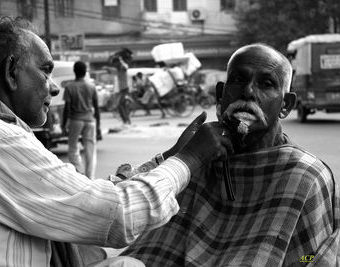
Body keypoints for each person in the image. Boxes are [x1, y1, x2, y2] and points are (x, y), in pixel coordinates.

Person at [0, 15, 229, 267]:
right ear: (11, 71)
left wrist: (166, 160)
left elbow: (83, 194)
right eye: (45, 70)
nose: (53, 88)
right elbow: (119, 215)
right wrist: (190, 159)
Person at [120, 43, 340, 266]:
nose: (248, 92)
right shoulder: (195, 156)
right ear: (220, 94)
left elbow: (311, 258)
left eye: (266, 84)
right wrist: (177, 155)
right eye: (238, 80)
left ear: (286, 105)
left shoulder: (305, 176)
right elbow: (122, 209)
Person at [62, 61, 100, 180]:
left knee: (73, 148)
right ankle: (90, 177)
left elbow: (67, 108)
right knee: (90, 150)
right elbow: (97, 107)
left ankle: (79, 173)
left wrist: (64, 125)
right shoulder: (91, 86)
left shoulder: (69, 87)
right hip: (90, 121)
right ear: (85, 72)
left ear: (75, 72)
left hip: (75, 120)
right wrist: (98, 126)